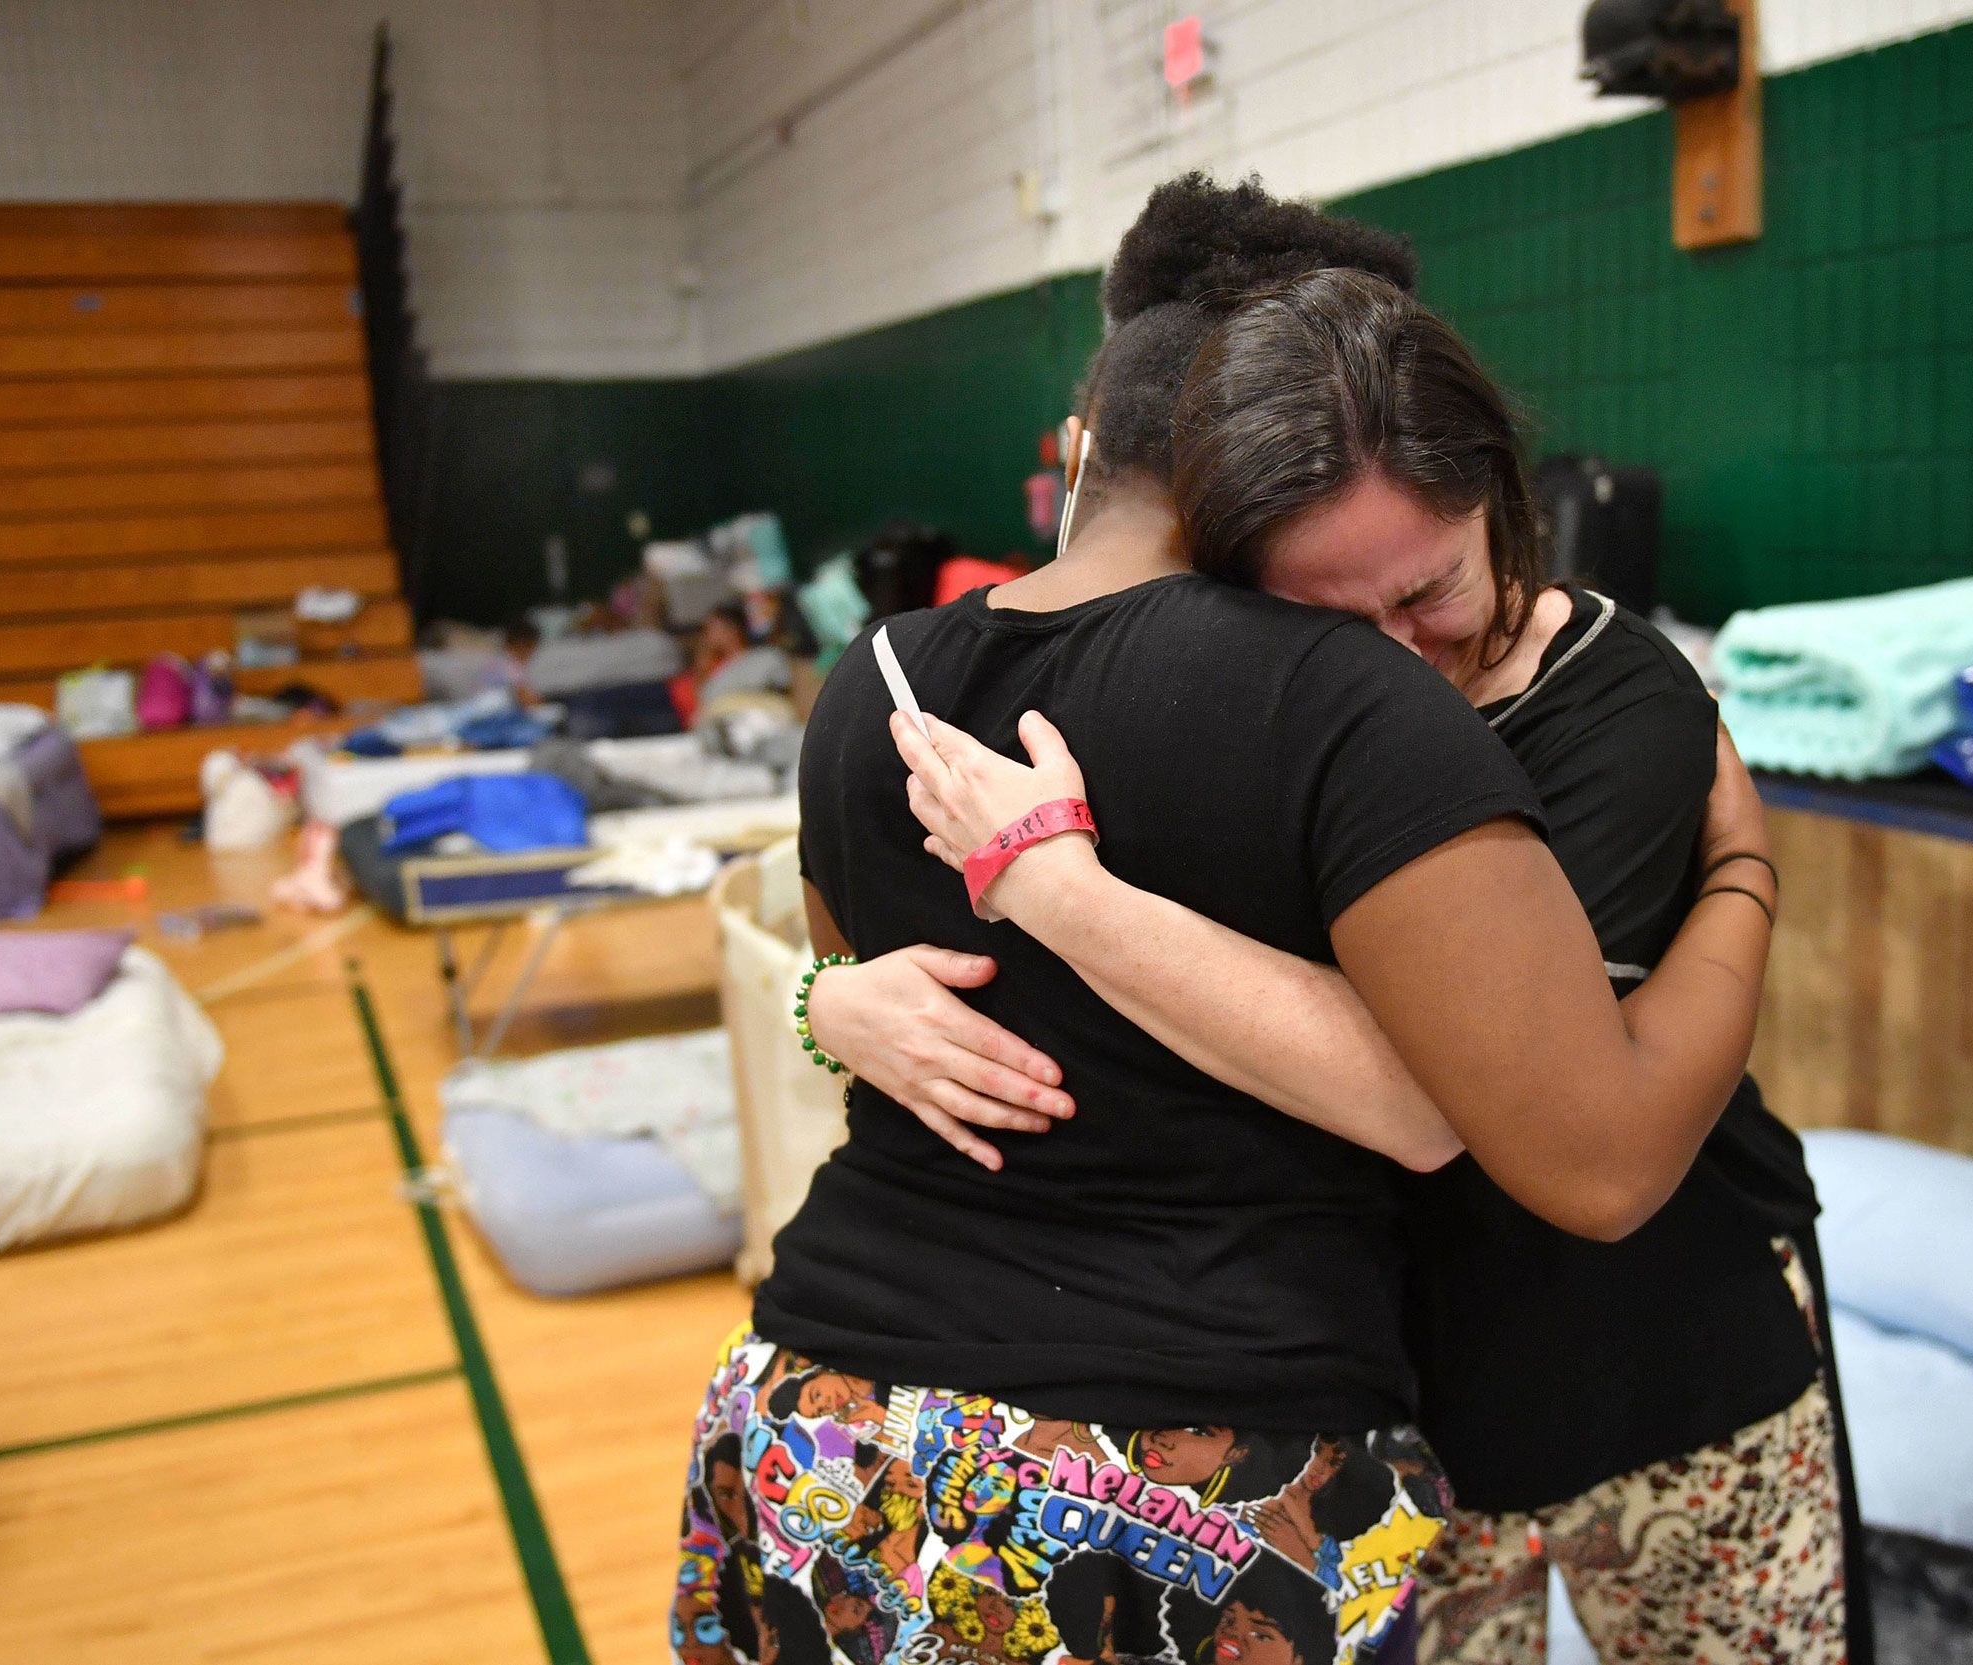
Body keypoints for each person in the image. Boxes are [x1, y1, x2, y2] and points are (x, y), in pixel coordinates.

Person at [676, 178, 1781, 1665]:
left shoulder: (878, 675)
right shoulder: (1340, 697)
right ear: (1261, 463)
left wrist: (1036, 902)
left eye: (1429, 588)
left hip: (824, 1424)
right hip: (1192, 1467)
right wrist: (841, 1001)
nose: (1397, 634)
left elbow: (1553, 1134)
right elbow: (1445, 1103)